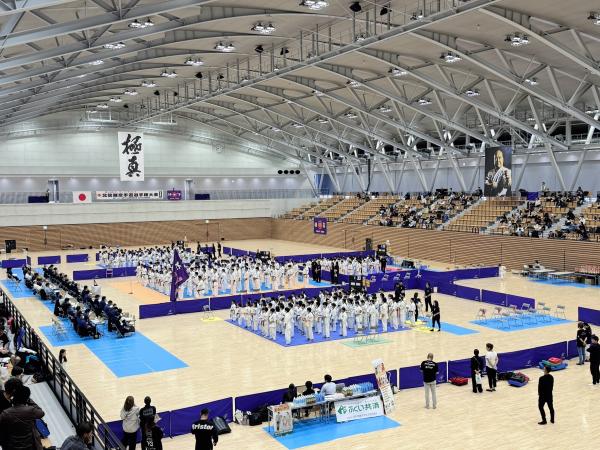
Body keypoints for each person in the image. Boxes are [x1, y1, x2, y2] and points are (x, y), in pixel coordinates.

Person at [0, 385, 45, 450]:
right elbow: (41, 413)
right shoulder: (31, 410)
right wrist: (29, 400)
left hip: (12, 446)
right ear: (26, 398)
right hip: (29, 445)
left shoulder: (6, 413)